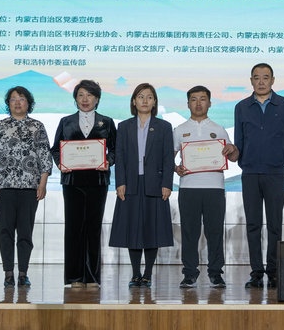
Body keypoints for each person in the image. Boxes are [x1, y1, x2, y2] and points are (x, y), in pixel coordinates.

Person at [234, 63, 284, 288]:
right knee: (253, 224)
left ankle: (273, 271)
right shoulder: (242, 107)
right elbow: (239, 140)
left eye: (265, 77)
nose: (261, 82)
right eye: (256, 77)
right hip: (250, 173)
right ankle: (256, 272)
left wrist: (280, 161)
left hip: (275, 172)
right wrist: (244, 162)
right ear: (251, 80)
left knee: (274, 225)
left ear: (272, 80)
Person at [51, 79, 117, 288]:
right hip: (73, 182)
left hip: (98, 181)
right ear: (75, 99)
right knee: (73, 228)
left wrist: (108, 161)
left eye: (89, 95)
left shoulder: (107, 122)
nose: (85, 99)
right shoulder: (66, 121)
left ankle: (92, 277)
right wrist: (61, 163)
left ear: (97, 99)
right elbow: (55, 149)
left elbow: (115, 149)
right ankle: (74, 277)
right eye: (80, 95)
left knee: (93, 228)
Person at [173, 86, 239, 289]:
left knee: (215, 232)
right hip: (189, 188)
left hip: (215, 188)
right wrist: (176, 168)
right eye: (194, 99)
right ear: (188, 104)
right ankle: (189, 273)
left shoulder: (219, 129)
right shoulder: (179, 130)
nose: (198, 103)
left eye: (203, 99)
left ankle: (216, 273)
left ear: (210, 103)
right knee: (189, 232)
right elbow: (168, 158)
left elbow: (233, 157)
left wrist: (232, 148)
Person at [109, 83, 174, 288]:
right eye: (140, 96)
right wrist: (120, 182)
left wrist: (167, 183)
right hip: (131, 183)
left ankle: (147, 274)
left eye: (149, 97)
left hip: (155, 184)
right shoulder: (124, 126)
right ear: (133, 101)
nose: (145, 100)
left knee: (152, 230)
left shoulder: (164, 127)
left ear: (154, 102)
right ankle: (136, 273)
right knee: (133, 229)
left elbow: (168, 158)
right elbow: (120, 156)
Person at [0, 86, 51, 288]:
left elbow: (45, 157)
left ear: (28, 103)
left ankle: (23, 273)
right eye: (13, 99)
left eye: (21, 98)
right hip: (4, 187)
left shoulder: (37, 126)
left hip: (30, 188)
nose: (17, 102)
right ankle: (8, 273)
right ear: (8, 104)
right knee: (5, 231)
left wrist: (42, 184)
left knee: (25, 232)